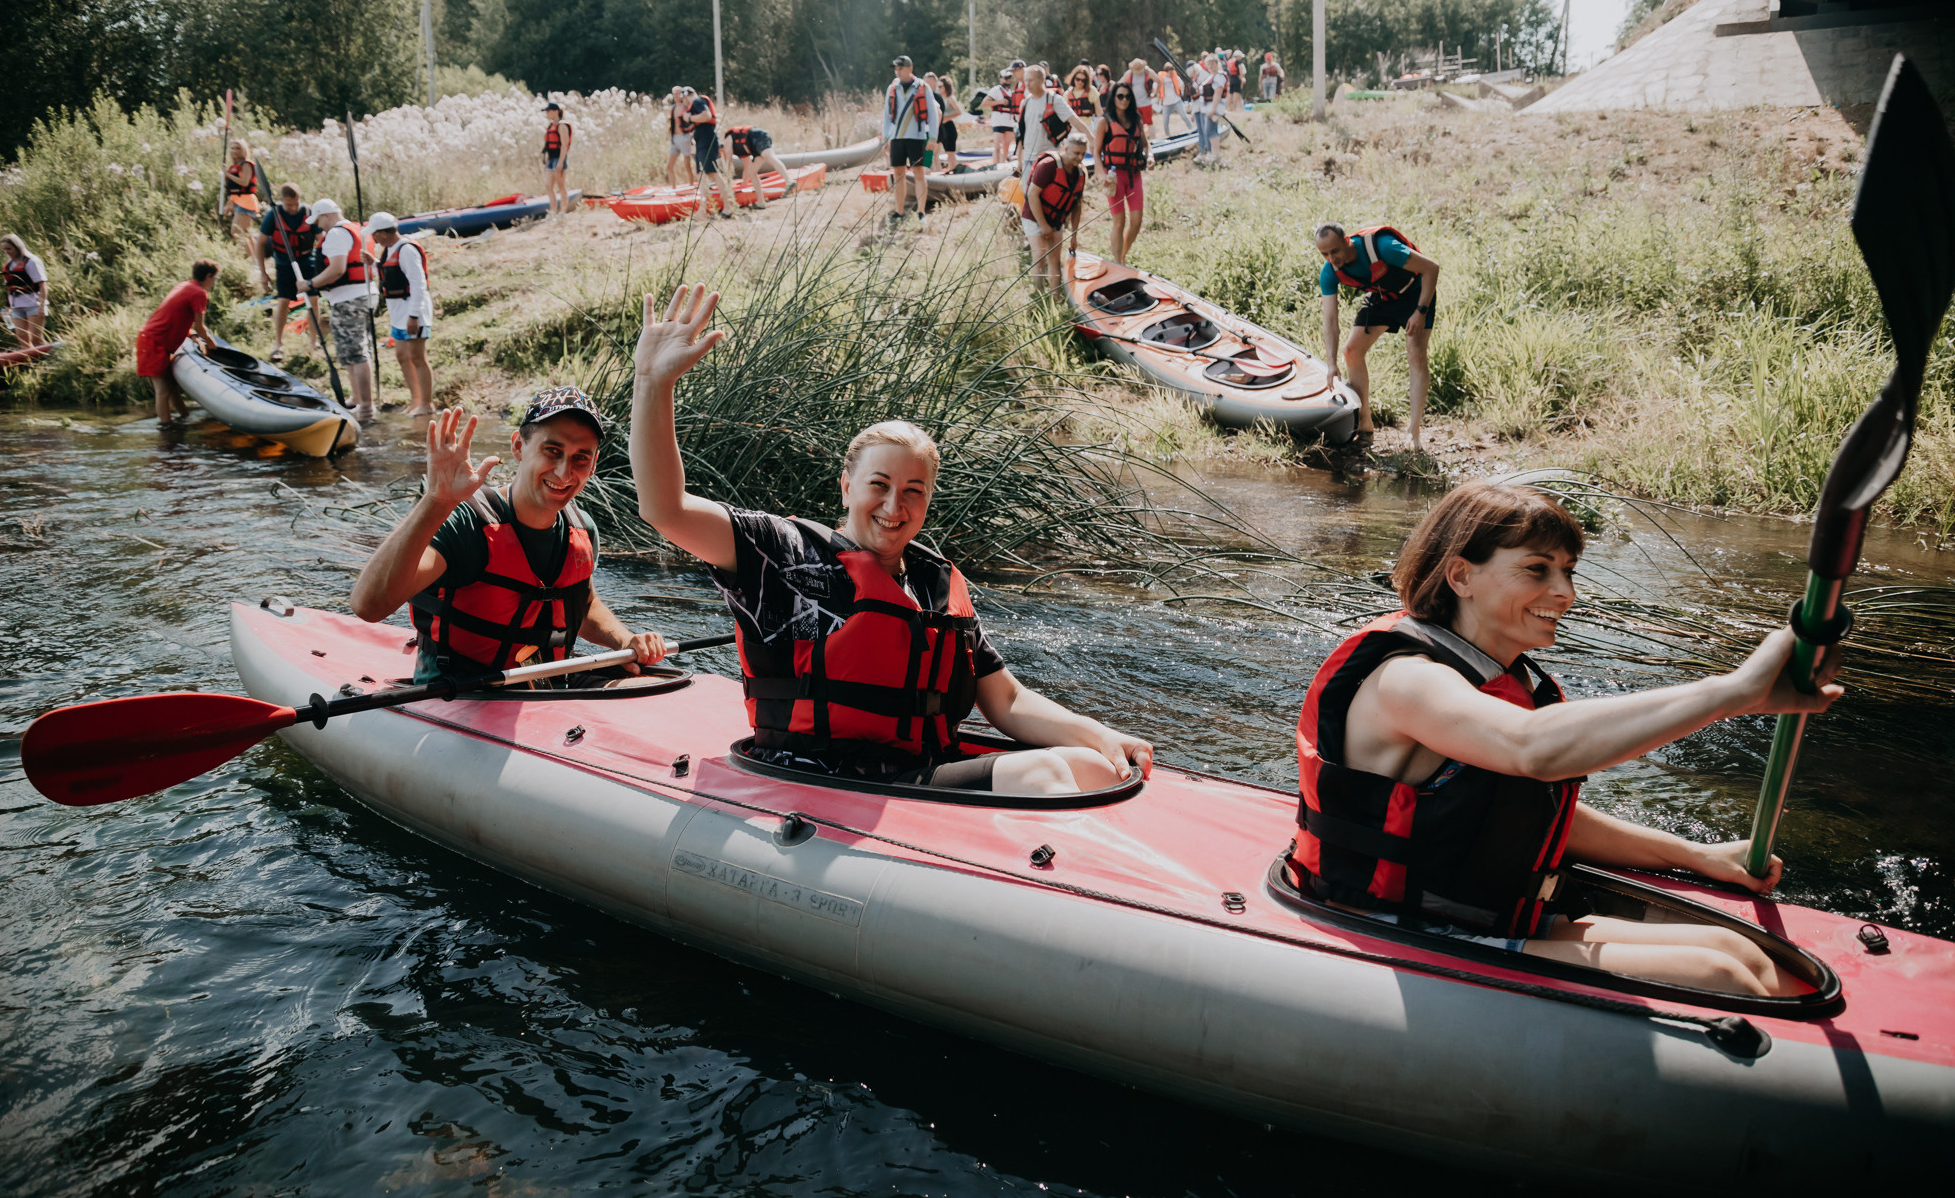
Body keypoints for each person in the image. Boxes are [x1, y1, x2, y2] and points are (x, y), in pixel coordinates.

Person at [1286, 480, 1839, 996]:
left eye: (1568, 571)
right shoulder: (1408, 680)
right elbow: (1531, 748)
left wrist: (1696, 856)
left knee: (1739, 952)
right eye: (1537, 569)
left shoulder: (1505, 680)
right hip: (1392, 925)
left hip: (1475, 919)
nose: (1564, 592)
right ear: (1461, 577)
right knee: (1720, 975)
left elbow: (1519, 812)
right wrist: (1734, 692)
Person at [629, 284, 1152, 794]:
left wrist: (1102, 735)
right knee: (1046, 775)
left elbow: (1007, 702)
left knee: (1092, 765)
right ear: (847, 486)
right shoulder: (783, 551)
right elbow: (666, 509)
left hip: (916, 774)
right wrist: (654, 382)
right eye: (878, 485)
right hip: (819, 776)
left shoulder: (933, 584)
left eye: (912, 491)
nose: (893, 507)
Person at [349, 391, 669, 687]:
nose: (563, 472)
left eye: (580, 457)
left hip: (545, 685)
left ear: (594, 463)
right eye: (552, 451)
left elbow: (582, 605)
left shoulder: (582, 528)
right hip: (461, 691)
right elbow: (369, 607)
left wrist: (624, 640)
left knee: (654, 687)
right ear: (518, 446)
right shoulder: (466, 525)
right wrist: (436, 501)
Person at [1316, 220, 1440, 453]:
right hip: (1383, 297)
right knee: (1351, 351)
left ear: (1347, 241)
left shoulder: (1383, 247)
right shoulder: (1329, 271)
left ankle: (1413, 433)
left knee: (1415, 353)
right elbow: (1330, 319)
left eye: (1335, 251)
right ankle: (1365, 427)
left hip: (1415, 295)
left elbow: (1431, 268)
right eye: (1325, 254)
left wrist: (1421, 311)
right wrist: (1331, 363)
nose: (1331, 258)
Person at [299, 198, 378, 424]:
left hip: (349, 298)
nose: (318, 227)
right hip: (362, 295)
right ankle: (357, 398)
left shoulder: (335, 234)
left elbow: (337, 269)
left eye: (319, 221)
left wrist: (310, 284)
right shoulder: (355, 229)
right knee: (352, 350)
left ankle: (366, 407)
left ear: (326, 216)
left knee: (356, 352)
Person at [134, 260, 219, 426]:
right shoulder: (199, 293)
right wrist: (211, 344)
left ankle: (184, 417)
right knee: (162, 389)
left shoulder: (185, 286)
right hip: (153, 341)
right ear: (208, 276)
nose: (214, 282)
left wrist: (193, 336)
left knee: (172, 386)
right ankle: (166, 429)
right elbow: (200, 327)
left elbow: (175, 318)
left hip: (152, 339)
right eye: (214, 278)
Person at [367, 212, 434, 417]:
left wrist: (413, 315)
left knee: (417, 357)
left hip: (413, 312)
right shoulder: (389, 250)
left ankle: (427, 404)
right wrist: (372, 263)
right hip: (398, 314)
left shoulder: (407, 250)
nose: (373, 239)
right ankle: (415, 400)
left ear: (382, 233)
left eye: (374, 235)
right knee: (402, 356)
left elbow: (418, 283)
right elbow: (391, 274)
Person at [256, 182, 320, 364]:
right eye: (288, 204)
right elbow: (260, 243)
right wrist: (263, 273)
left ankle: (314, 342)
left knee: (313, 300)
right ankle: (278, 344)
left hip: (307, 261)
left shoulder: (308, 212)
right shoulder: (273, 214)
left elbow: (321, 239)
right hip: (284, 263)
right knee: (283, 301)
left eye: (295, 204)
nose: (292, 208)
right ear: (281, 200)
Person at [1022, 133, 1087, 297]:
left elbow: (1077, 205)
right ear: (1065, 148)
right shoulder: (1048, 166)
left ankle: (1056, 297)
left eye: (1083, 154)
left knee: (1055, 259)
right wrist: (1043, 225)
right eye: (1076, 153)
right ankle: (1039, 295)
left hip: (1056, 219)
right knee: (1039, 255)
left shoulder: (1080, 173)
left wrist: (1074, 234)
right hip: (1034, 216)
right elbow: (1032, 194)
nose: (1080, 158)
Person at [1092, 82, 1149, 264]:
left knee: (1136, 220)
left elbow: (1145, 144)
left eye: (1127, 96)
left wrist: (1150, 157)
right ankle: (1118, 262)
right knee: (1119, 220)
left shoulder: (1136, 119)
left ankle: (1122, 254)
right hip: (1114, 176)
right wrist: (1101, 173)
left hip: (1134, 175)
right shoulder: (1105, 122)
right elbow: (1096, 151)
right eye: (1120, 96)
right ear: (1113, 98)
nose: (1124, 100)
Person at [879, 55, 940, 222]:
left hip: (916, 137)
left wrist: (933, 137)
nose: (897, 72)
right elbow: (886, 115)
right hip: (897, 137)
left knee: (919, 172)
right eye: (896, 69)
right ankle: (899, 211)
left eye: (900, 68)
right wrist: (885, 139)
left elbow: (933, 114)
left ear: (909, 69)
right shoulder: (892, 88)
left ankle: (921, 211)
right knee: (898, 174)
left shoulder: (922, 87)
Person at [1015, 64, 1093, 179]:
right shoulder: (1025, 103)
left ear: (1042, 80)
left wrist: (1092, 140)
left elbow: (1075, 120)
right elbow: (1021, 133)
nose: (1027, 84)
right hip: (1028, 160)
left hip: (1049, 159)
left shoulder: (1055, 100)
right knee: (1027, 190)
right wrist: (1019, 160)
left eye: (1031, 80)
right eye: (1026, 80)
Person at [685, 87, 738, 222]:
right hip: (701, 142)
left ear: (686, 96)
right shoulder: (695, 104)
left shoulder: (697, 101)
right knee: (701, 176)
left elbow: (707, 116)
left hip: (707, 140)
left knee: (713, 173)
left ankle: (728, 206)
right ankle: (702, 210)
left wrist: (689, 117)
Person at [0, 235, 47, 348]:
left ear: (17, 247)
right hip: (16, 306)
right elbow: (10, 288)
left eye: (9, 249)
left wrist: (42, 305)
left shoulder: (31, 261)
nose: (7, 252)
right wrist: (7, 307)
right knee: (22, 337)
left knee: (36, 338)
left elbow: (43, 285)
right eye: (4, 250)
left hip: (34, 304)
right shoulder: (9, 265)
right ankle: (31, 359)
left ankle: (49, 356)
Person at [725, 124, 788, 203]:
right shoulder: (741, 148)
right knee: (751, 172)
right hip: (754, 147)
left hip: (757, 136)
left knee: (768, 156)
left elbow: (728, 162)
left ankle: (788, 181)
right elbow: (747, 168)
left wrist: (727, 183)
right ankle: (761, 202)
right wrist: (743, 185)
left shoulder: (727, 141)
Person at [223, 139, 261, 248]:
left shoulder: (246, 165)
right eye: (232, 148)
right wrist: (229, 204)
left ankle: (248, 256)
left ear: (243, 150)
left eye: (238, 148)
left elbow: (245, 182)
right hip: (239, 202)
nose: (235, 150)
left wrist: (227, 174)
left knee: (236, 232)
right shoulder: (234, 166)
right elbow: (234, 189)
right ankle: (255, 257)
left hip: (247, 202)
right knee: (247, 235)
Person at [540, 102, 573, 215]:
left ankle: (563, 211)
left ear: (556, 111)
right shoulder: (551, 126)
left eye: (548, 111)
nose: (547, 113)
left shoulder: (562, 125)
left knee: (561, 186)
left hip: (559, 158)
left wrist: (561, 161)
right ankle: (553, 211)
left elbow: (564, 144)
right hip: (551, 159)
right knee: (548, 185)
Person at [981, 68, 1018, 164]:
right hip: (998, 120)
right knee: (998, 145)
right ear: (1001, 79)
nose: (1007, 80)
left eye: (1009, 78)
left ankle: (1002, 163)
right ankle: (996, 164)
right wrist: (1000, 102)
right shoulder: (996, 90)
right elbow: (984, 103)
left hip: (1009, 121)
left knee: (1006, 146)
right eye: (1005, 78)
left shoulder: (1012, 92)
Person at [926, 73, 960, 171]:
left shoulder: (950, 98)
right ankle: (945, 171)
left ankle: (955, 172)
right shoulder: (939, 97)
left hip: (949, 126)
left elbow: (958, 112)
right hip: (942, 126)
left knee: (950, 154)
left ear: (946, 87)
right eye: (938, 86)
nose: (939, 88)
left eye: (941, 86)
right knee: (939, 153)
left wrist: (945, 117)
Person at [666, 88, 697, 186]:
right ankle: (673, 188)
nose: (675, 96)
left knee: (687, 165)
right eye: (674, 94)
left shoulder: (687, 107)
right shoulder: (673, 108)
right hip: (674, 138)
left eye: (677, 93)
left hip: (685, 137)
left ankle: (691, 185)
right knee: (669, 166)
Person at [1156, 60, 1190, 139]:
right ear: (1166, 71)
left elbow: (1182, 85)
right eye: (1170, 72)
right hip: (1166, 103)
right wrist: (1157, 97)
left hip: (1176, 100)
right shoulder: (1161, 78)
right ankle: (1167, 134)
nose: (1171, 73)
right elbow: (1156, 87)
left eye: (1172, 71)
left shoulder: (1175, 77)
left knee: (1184, 115)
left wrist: (1181, 93)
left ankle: (1191, 128)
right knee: (1165, 120)